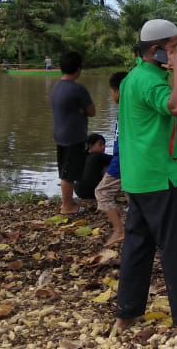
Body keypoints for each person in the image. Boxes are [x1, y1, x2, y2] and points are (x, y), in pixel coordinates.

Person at [115, 19, 177, 334]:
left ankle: (127, 312)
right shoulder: (151, 81)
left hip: (138, 178)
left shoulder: (133, 77)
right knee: (176, 248)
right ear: (156, 51)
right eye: (173, 48)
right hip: (160, 178)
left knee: (138, 246)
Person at [50, 51, 95, 215]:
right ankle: (67, 206)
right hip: (73, 137)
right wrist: (81, 111)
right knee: (69, 173)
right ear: (78, 69)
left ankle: (67, 202)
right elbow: (92, 111)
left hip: (60, 135)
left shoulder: (56, 87)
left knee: (65, 170)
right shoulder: (78, 89)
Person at [95, 71, 127, 245]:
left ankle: (119, 230)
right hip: (126, 161)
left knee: (102, 192)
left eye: (112, 91)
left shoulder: (127, 112)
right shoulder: (128, 110)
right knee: (134, 197)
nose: (111, 95)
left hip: (122, 162)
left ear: (119, 92)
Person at [75, 133, 110, 200]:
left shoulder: (81, 156)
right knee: (114, 165)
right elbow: (118, 160)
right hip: (92, 193)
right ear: (90, 145)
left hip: (79, 192)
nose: (104, 147)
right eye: (100, 144)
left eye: (104, 144)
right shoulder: (99, 156)